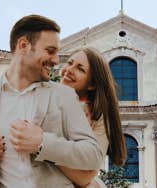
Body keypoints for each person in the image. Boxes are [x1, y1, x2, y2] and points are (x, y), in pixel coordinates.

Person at [0, 15, 104, 188]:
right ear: (23, 46)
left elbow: (93, 155)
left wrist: (43, 143)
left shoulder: (65, 95)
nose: (56, 60)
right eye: (50, 51)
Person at [58, 48, 127, 187]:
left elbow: (85, 177)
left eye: (80, 69)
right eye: (70, 62)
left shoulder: (99, 116)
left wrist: (43, 150)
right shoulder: (41, 97)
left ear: (92, 84)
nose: (69, 70)